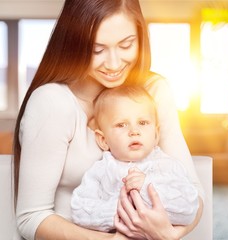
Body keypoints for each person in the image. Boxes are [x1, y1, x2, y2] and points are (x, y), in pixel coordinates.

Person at [13, 0, 204, 239]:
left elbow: (195, 193)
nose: (114, 64)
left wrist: (168, 234)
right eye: (97, 49)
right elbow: (31, 217)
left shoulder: (153, 91)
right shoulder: (53, 102)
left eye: (126, 45)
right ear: (75, 44)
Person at [71, 85, 199, 232]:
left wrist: (146, 188)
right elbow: (79, 210)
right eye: (121, 124)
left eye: (143, 123)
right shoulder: (101, 170)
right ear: (103, 140)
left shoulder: (167, 166)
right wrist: (124, 211)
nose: (134, 131)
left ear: (156, 135)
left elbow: (188, 209)